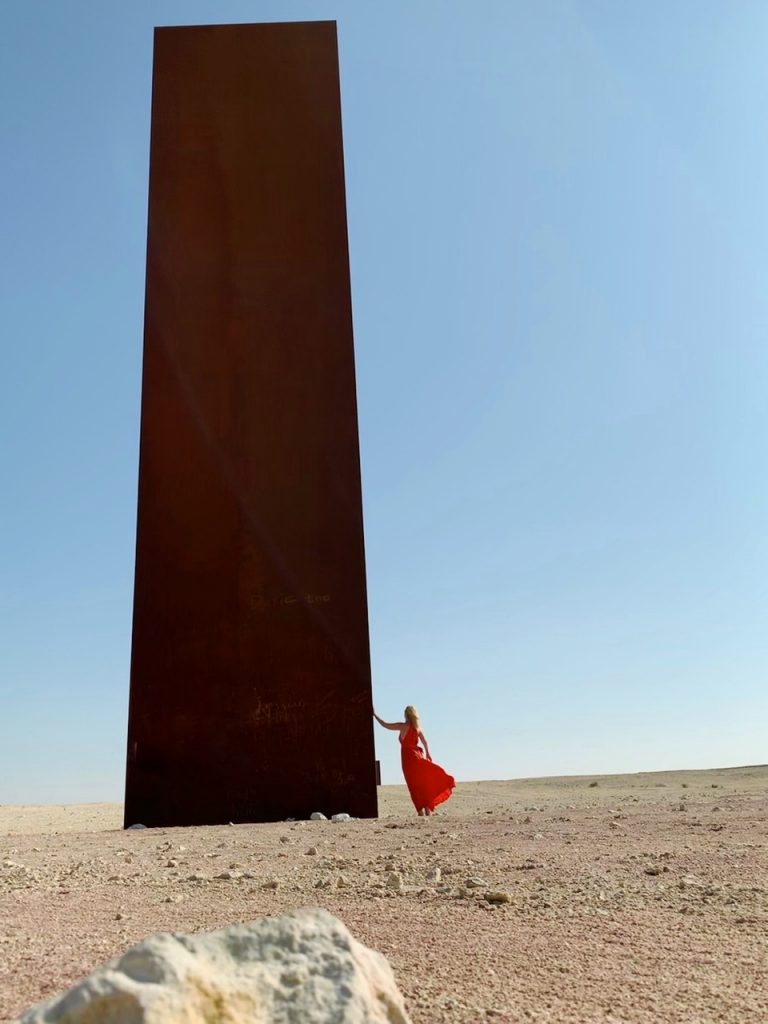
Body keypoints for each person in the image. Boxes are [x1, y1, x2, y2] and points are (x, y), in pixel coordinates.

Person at [373, 705, 455, 816]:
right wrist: (428, 753)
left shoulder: (402, 726)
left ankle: (421, 812)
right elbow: (425, 742)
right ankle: (427, 810)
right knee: (423, 783)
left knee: (413, 786)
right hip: (419, 756)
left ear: (406, 715)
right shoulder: (418, 728)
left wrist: (375, 715)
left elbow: (385, 725)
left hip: (408, 759)